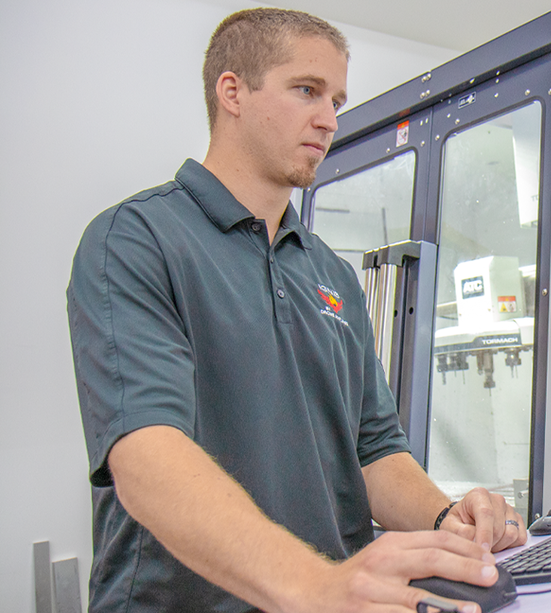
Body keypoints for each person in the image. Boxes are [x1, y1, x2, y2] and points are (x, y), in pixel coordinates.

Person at [66, 8, 526, 613]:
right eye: (307, 91)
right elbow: (146, 456)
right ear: (232, 91)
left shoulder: (331, 274)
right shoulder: (135, 239)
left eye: (336, 99)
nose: (329, 119)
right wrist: (313, 584)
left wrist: (447, 518)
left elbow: (374, 449)